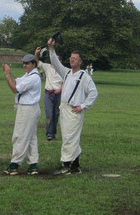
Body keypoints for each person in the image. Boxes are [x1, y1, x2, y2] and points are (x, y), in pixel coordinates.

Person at [48, 37, 98, 175]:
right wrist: (51, 48)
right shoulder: (67, 73)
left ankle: (65, 165)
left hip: (74, 111)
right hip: (64, 109)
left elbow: (93, 93)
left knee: (70, 138)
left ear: (80, 61)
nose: (72, 60)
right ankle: (75, 166)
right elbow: (55, 62)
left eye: (75, 58)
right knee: (68, 136)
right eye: (71, 58)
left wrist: (83, 105)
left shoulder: (84, 76)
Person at [2, 54, 42, 175]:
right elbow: (16, 82)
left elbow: (15, 89)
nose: (24, 65)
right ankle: (33, 165)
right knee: (31, 137)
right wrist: (9, 74)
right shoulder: (28, 75)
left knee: (20, 136)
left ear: (33, 64)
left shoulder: (33, 77)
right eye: (23, 63)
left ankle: (15, 165)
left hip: (28, 109)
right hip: (28, 108)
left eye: (27, 63)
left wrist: (8, 74)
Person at [34, 47, 63, 141]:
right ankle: (49, 134)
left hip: (58, 95)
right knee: (49, 113)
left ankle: (53, 133)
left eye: (57, 59)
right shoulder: (47, 67)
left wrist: (60, 89)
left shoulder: (63, 70)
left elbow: (67, 82)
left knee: (56, 114)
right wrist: (36, 53)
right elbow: (36, 62)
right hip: (48, 94)